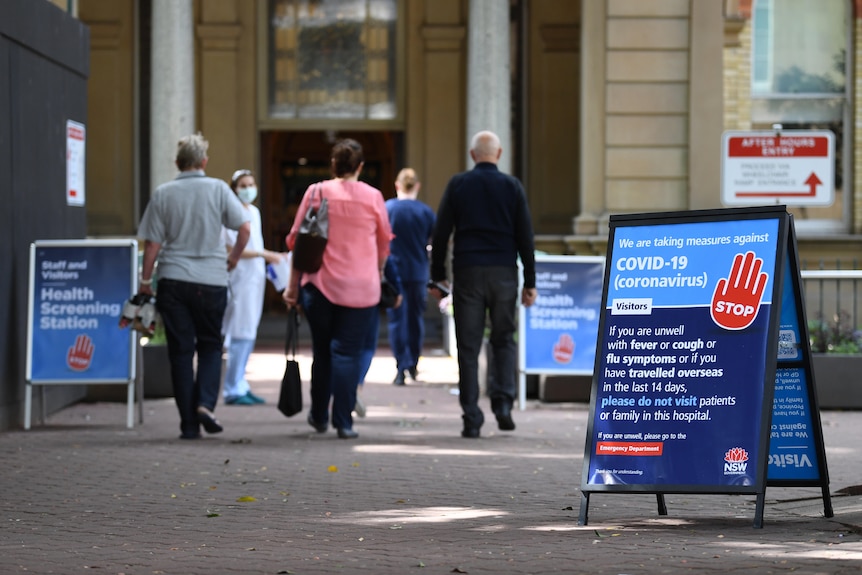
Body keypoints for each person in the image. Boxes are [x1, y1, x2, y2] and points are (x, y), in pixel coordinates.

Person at [138, 133, 250, 439]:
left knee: (180, 352)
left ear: (177, 163)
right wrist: (234, 260)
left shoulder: (164, 193)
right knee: (212, 345)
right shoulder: (217, 189)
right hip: (212, 280)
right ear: (204, 161)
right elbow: (244, 229)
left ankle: (188, 424)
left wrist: (146, 282)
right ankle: (205, 404)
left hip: (174, 280)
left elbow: (152, 245)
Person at [429, 130, 538, 439]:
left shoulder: (458, 184)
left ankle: (472, 417)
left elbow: (440, 233)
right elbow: (525, 237)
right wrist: (530, 281)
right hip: (504, 273)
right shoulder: (512, 186)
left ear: (472, 154)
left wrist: (437, 274)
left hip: (468, 272)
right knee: (504, 338)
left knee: (468, 345)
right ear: (499, 154)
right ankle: (503, 404)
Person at [283, 138, 392, 439]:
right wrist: (378, 272)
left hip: (319, 286)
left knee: (323, 351)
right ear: (360, 167)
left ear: (333, 165)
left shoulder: (315, 192)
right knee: (348, 354)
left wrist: (292, 287)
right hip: (361, 288)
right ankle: (343, 422)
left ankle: (319, 415)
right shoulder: (373, 197)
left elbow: (297, 242)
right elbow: (384, 245)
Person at [221, 169, 285, 405]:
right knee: (239, 333)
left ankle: (241, 383)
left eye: (251, 184)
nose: (248, 189)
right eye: (243, 185)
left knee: (249, 332)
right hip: (239, 278)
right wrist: (264, 254)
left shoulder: (254, 212)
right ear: (234, 189)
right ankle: (232, 388)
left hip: (255, 278)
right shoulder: (229, 214)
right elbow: (231, 248)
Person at [385, 168, 436, 386]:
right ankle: (413, 364)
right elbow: (434, 243)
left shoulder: (387, 209)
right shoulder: (425, 212)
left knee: (397, 321)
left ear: (397, 185)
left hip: (393, 272)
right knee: (415, 320)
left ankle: (400, 367)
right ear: (417, 186)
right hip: (418, 272)